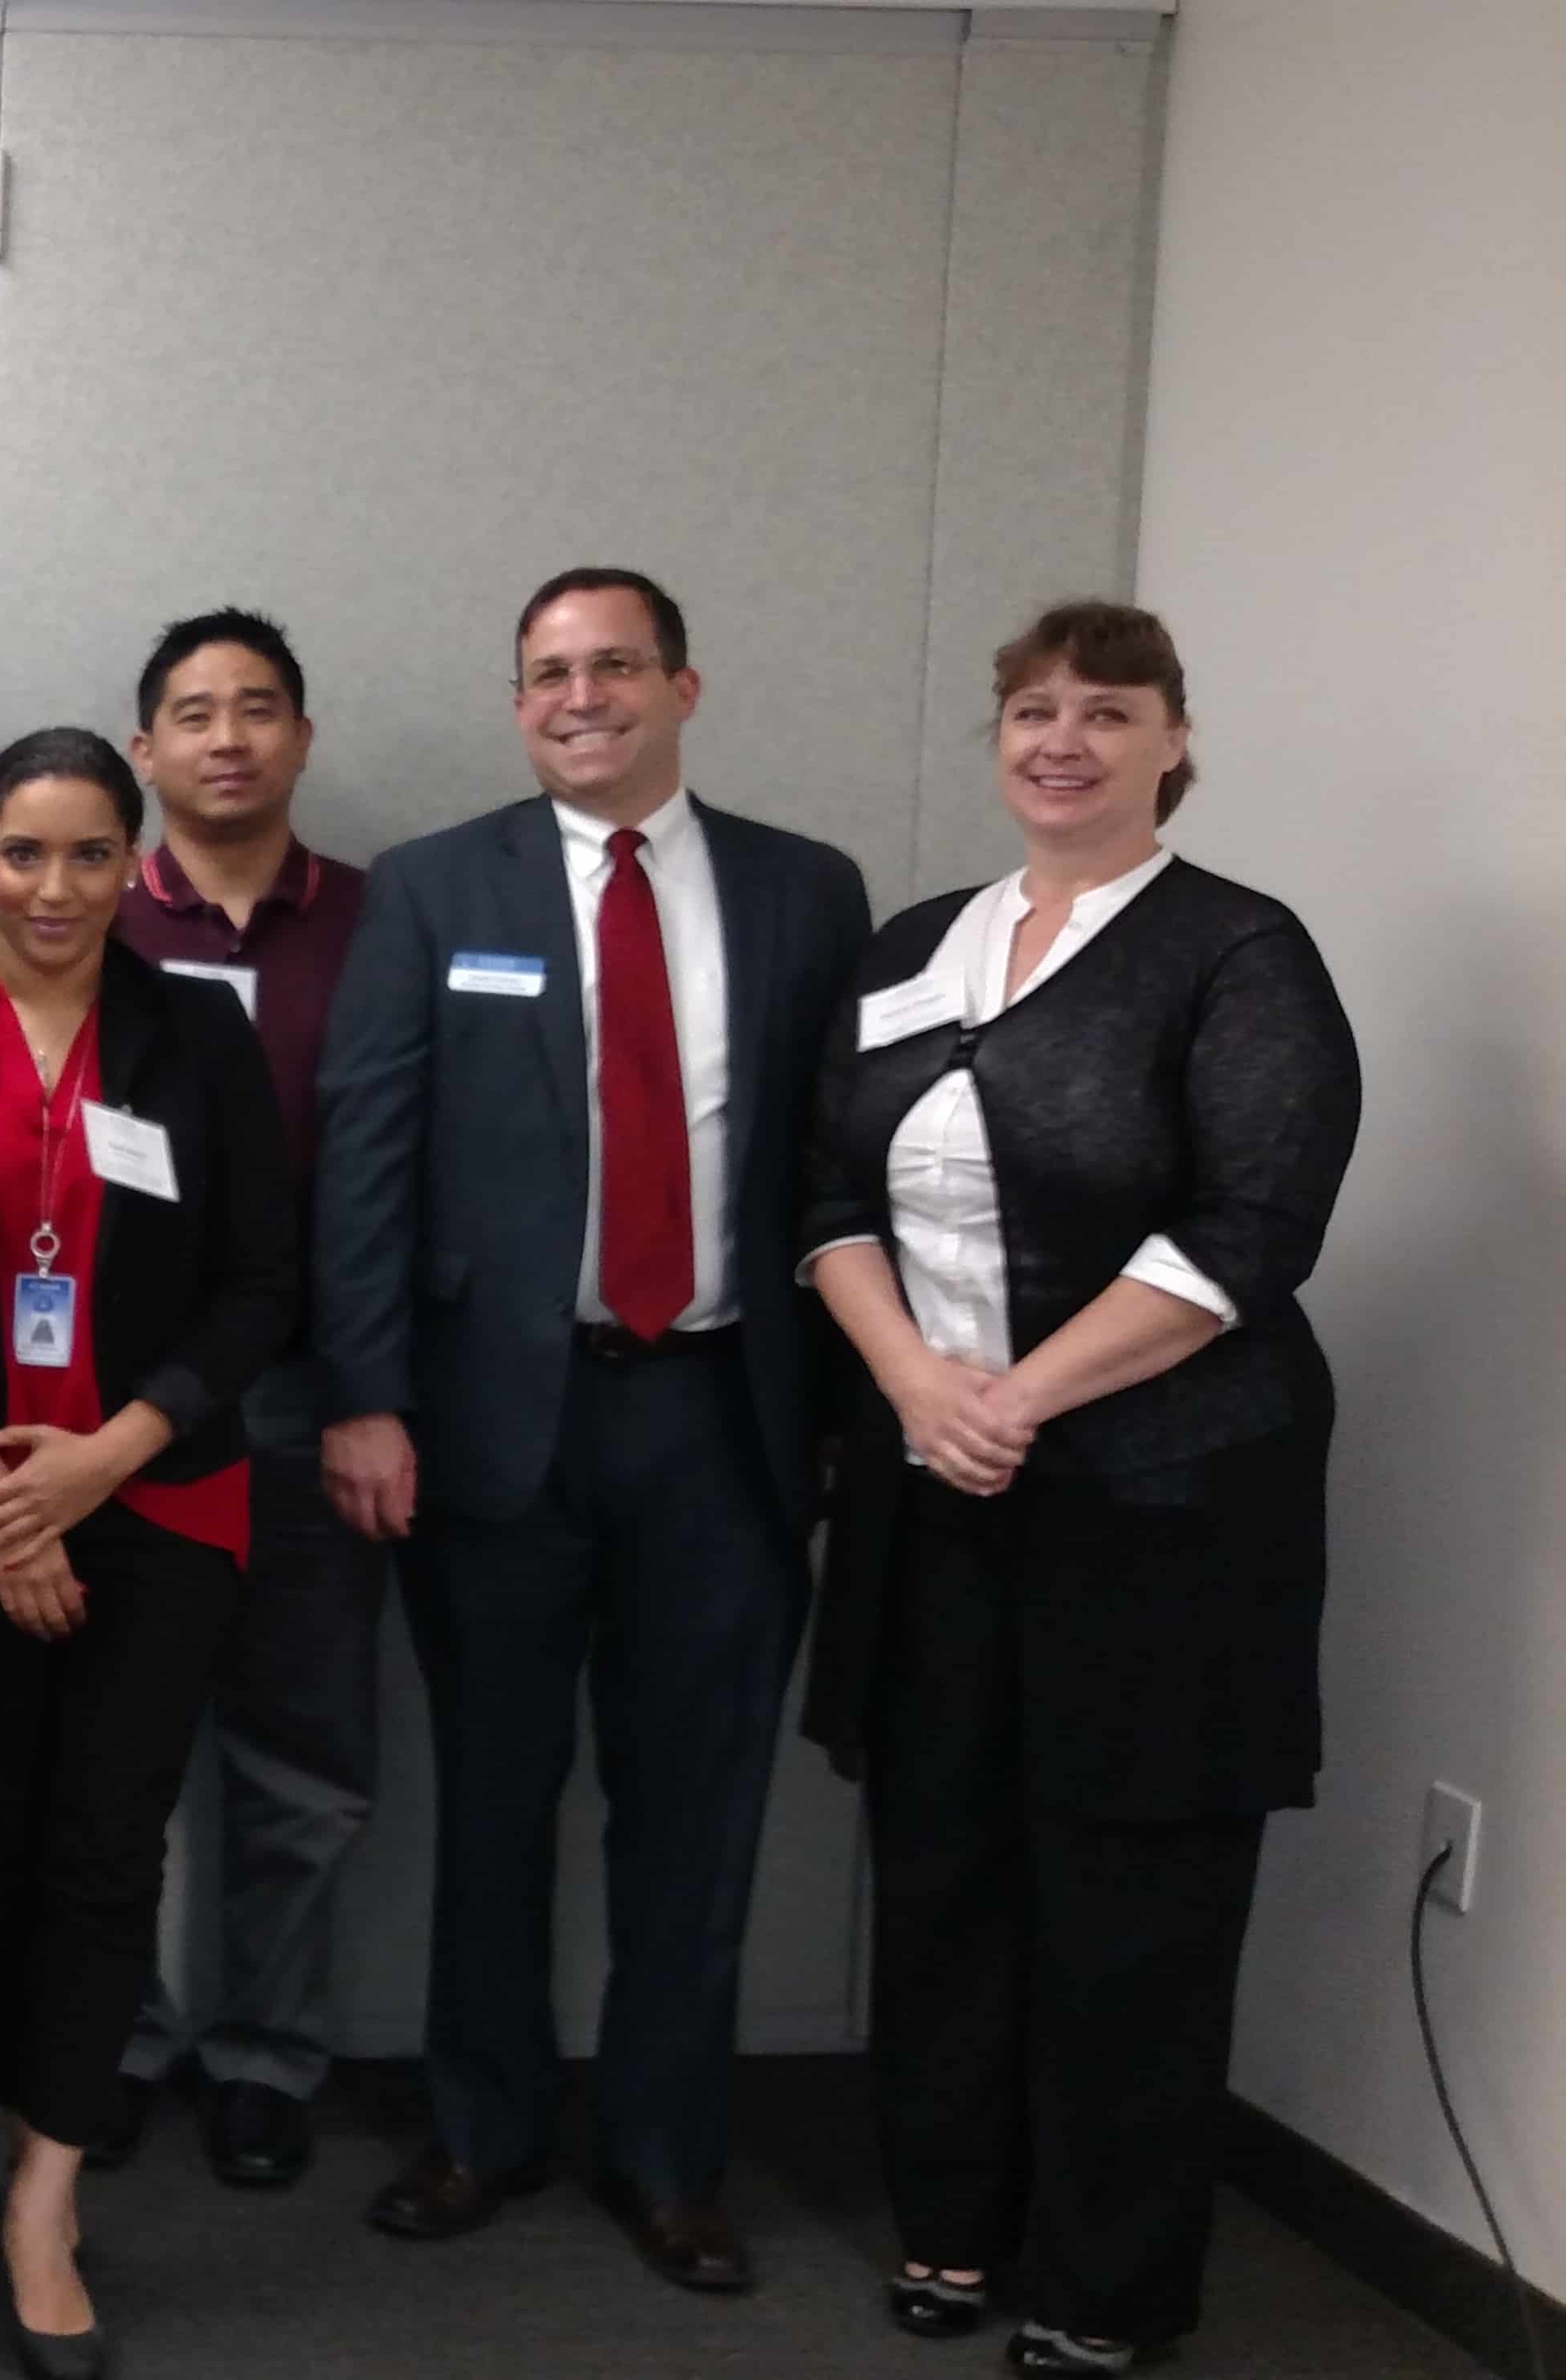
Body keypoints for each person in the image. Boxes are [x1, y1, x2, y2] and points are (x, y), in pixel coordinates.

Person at [797, 601, 1358, 2377]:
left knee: (1128, 1905)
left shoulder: (1234, 951)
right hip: (931, 1484)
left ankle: (1107, 2289)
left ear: (1169, 744)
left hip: (1161, 1511)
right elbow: (822, 1195)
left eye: (1105, 714)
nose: (1061, 741)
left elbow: (1248, 1230)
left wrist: (1016, 1400)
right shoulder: (913, 949)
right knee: (944, 1867)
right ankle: (955, 2228)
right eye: (1031, 711)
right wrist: (909, 1381)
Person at [314, 568, 868, 2295]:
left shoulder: (801, 893)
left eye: (611, 666)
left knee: (692, 1812)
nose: (577, 698)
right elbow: (365, 1160)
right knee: (488, 1797)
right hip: (492, 1426)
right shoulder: (430, 890)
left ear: (681, 688)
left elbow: (836, 1170)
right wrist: (364, 1392)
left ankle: (665, 2158)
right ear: (515, 701)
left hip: (721, 1423)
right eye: (546, 673)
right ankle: (480, 2128)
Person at [0, 728, 298, 2378]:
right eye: (21, 854)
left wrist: (111, 1455)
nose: (53, 888)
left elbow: (263, 1281)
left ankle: (42, 2189)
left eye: (88, 855)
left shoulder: (197, 1036)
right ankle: (29, 2086)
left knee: (111, 1838)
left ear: (135, 866)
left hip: (159, 1495)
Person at [99, 610, 384, 2191]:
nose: (225, 738)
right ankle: (122, 2037)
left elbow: (404, 1175)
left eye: (255, 709)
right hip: (119, 1413)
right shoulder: (84, 910)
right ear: (143, 749)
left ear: (297, 738)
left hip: (305, 1404)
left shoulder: (374, 921)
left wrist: (368, 1390)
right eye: (191, 714)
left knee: (298, 1763)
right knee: (115, 1758)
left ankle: (266, 2054)